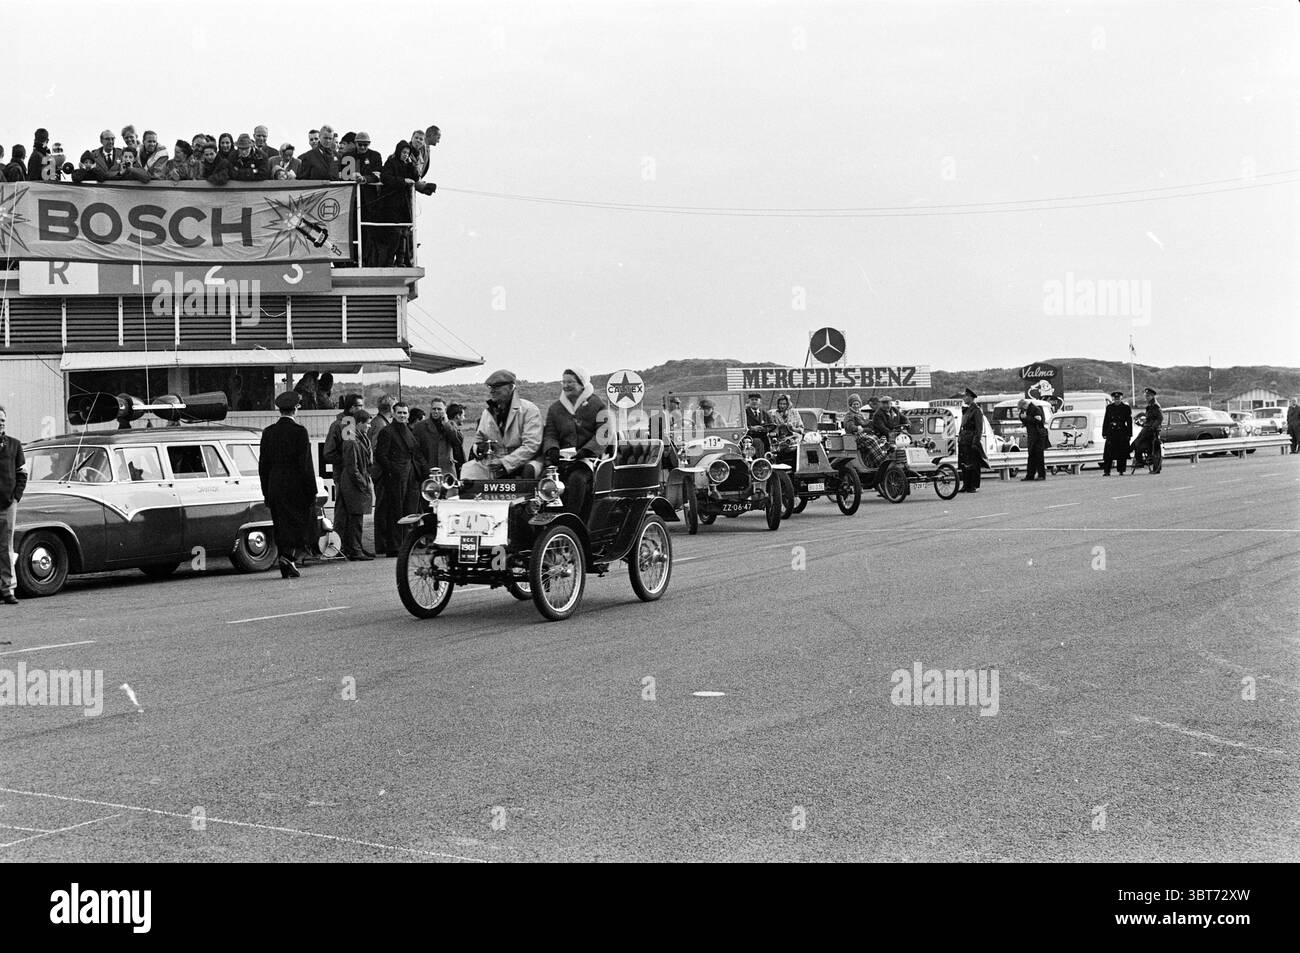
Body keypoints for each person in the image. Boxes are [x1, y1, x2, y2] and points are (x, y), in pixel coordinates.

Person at [258, 391, 319, 579]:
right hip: (296, 485)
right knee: (298, 523)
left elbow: (263, 465)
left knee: (281, 523)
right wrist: (312, 491)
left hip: (275, 484)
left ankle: (286, 559)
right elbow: (305, 464)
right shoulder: (300, 432)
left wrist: (266, 491)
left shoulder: (268, 432)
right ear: (296, 409)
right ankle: (288, 558)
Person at [542, 367, 608, 520]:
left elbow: (603, 433)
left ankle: (572, 520)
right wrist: (552, 449)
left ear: (582, 384)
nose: (566, 385)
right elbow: (550, 434)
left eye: (570, 382)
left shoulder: (598, 405)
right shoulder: (555, 408)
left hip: (588, 461)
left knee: (577, 479)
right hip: (561, 460)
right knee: (544, 481)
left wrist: (586, 451)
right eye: (563, 382)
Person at [460, 370, 544, 480]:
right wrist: (480, 448)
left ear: (511, 387)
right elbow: (478, 440)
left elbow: (531, 446)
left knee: (529, 470)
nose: (492, 391)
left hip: (524, 461)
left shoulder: (529, 410)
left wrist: (504, 462)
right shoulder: (487, 413)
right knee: (468, 470)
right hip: (494, 462)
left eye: (497, 387)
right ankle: (469, 497)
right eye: (491, 387)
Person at [373, 402, 425, 556]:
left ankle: (406, 544)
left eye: (404, 413)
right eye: (399, 413)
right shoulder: (387, 431)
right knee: (396, 512)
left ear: (408, 415)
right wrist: (393, 470)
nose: (402, 415)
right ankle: (394, 547)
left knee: (410, 511)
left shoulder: (409, 431)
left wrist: (424, 470)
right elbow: (380, 455)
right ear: (393, 414)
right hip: (396, 477)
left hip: (411, 476)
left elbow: (416, 453)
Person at [335, 408, 375, 560]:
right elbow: (352, 467)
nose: (369, 427)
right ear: (359, 424)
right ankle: (355, 550)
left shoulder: (359, 438)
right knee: (355, 518)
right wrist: (363, 483)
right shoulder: (352, 441)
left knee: (357, 517)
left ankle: (356, 548)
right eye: (367, 424)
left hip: (356, 481)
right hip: (353, 483)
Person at [0, 405, 27, 605]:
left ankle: (8, 589)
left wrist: (16, 497)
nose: (1, 424)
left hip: (8, 504)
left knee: (6, 547)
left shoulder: (15, 445)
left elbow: (22, 473)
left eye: (3, 421)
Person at [412, 397, 465, 477]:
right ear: (430, 410)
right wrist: (424, 465)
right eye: (434, 409)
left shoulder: (451, 425)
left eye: (439, 409)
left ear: (444, 410)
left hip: (447, 470)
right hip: (428, 470)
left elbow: (458, 441)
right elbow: (416, 450)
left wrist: (447, 424)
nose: (436, 411)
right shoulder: (420, 426)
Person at [958, 387, 987, 493]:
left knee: (973, 464)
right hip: (965, 440)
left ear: (970, 397)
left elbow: (979, 428)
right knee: (965, 464)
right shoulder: (967, 410)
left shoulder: (976, 410)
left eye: (965, 396)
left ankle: (973, 485)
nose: (964, 398)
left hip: (971, 440)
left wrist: (975, 442)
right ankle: (966, 484)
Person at [1131, 387, 1163, 473]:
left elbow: (1159, 418)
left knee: (1137, 444)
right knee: (1136, 444)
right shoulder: (1149, 406)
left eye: (1148, 396)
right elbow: (1149, 418)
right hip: (1147, 428)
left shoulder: (1155, 406)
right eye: (1146, 396)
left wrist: (1153, 427)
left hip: (1151, 430)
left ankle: (1140, 461)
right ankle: (1140, 461)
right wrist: (1142, 422)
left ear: (1152, 396)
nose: (1147, 397)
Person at [1101, 390, 1133, 476]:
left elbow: (1129, 422)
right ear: (1113, 399)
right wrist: (1104, 432)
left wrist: (1129, 434)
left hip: (1122, 432)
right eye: (1115, 398)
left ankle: (1121, 470)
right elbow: (1106, 420)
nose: (1117, 400)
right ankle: (1107, 471)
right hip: (1111, 432)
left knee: (1121, 453)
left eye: (1118, 398)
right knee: (1108, 454)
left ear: (1121, 398)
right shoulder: (1109, 408)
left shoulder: (1126, 408)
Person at [1019, 397, 1048, 481]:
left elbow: (1040, 421)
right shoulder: (1025, 410)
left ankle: (1041, 475)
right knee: (1031, 456)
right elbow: (1023, 419)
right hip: (1031, 435)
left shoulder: (1036, 409)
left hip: (1039, 435)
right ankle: (1030, 475)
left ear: (1025, 405)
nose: (1021, 410)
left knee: (1039, 456)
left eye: (1021, 408)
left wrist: (1026, 418)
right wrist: (1022, 418)